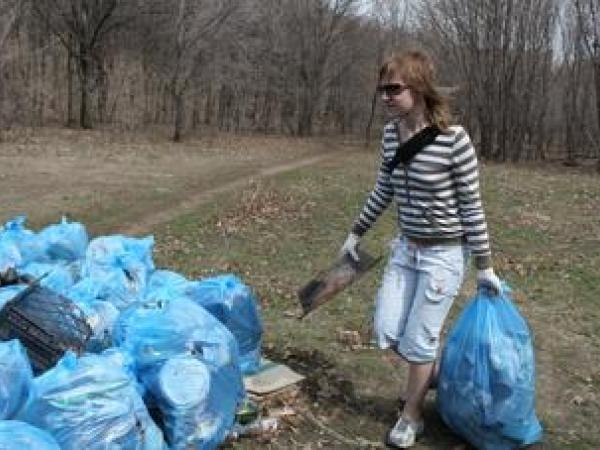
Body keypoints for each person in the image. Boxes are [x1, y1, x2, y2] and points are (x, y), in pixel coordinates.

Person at [339, 50, 501, 448]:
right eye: (382, 90)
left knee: (418, 342)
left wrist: (484, 266)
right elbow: (385, 188)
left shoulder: (454, 140)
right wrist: (356, 233)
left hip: (443, 255)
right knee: (387, 329)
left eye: (393, 88)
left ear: (420, 88)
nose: (385, 97)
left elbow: (472, 206)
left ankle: (412, 416)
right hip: (404, 250)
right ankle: (431, 372)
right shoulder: (392, 134)